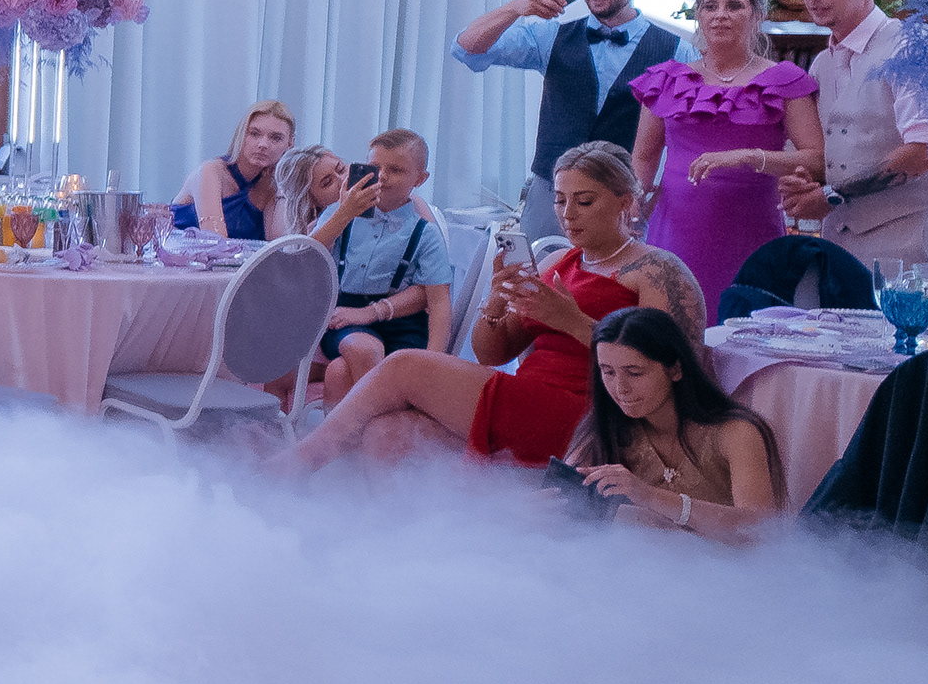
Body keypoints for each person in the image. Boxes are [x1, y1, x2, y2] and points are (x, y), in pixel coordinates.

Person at [286, 142, 705, 472]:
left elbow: (674, 371)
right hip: (530, 398)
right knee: (387, 435)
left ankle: (297, 464)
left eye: (584, 201)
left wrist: (573, 322)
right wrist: (495, 301)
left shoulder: (656, 269)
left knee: (405, 366)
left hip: (591, 413)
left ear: (625, 202)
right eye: (560, 200)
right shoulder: (561, 261)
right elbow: (492, 353)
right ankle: (409, 543)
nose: (567, 215)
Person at [452, 0, 681, 240]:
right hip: (551, 192)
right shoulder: (550, 37)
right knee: (538, 268)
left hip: (623, 196)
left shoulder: (677, 51)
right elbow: (466, 47)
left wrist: (655, 194)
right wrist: (517, 8)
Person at [629, 0, 821, 311]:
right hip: (676, 227)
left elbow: (816, 158)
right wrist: (632, 203)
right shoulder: (667, 79)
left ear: (757, 15)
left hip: (751, 227)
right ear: (699, 15)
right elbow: (644, 156)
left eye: (734, 6)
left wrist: (748, 156)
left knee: (746, 321)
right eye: (710, 7)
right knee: (673, 322)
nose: (720, 15)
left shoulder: (784, 80)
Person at [775, 0, 928, 276]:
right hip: (839, 238)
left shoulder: (913, 50)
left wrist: (830, 196)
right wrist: (804, 181)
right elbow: (833, 151)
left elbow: (926, 153)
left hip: (909, 238)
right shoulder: (821, 64)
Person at [566, 306, 782, 541]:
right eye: (608, 372)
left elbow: (761, 531)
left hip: (723, 561)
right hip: (638, 559)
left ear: (676, 370)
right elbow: (566, 501)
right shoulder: (605, 425)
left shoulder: (736, 432)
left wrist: (649, 496)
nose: (620, 388)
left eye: (635, 373)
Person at [301, 129, 455, 412]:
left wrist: (435, 361)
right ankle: (383, 421)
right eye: (376, 167)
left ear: (420, 179)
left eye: (395, 170)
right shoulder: (338, 214)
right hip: (346, 318)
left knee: (338, 373)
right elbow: (308, 258)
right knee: (365, 349)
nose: (382, 176)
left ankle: (349, 437)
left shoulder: (425, 233)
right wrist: (344, 213)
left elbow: (439, 300)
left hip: (405, 325)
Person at [173, 100, 298, 239]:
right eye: (254, 134)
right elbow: (214, 241)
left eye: (276, 138)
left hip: (234, 254)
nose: (263, 144)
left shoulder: (271, 183)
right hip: (179, 252)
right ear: (241, 134)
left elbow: (279, 245)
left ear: (290, 143)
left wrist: (283, 184)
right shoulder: (211, 171)